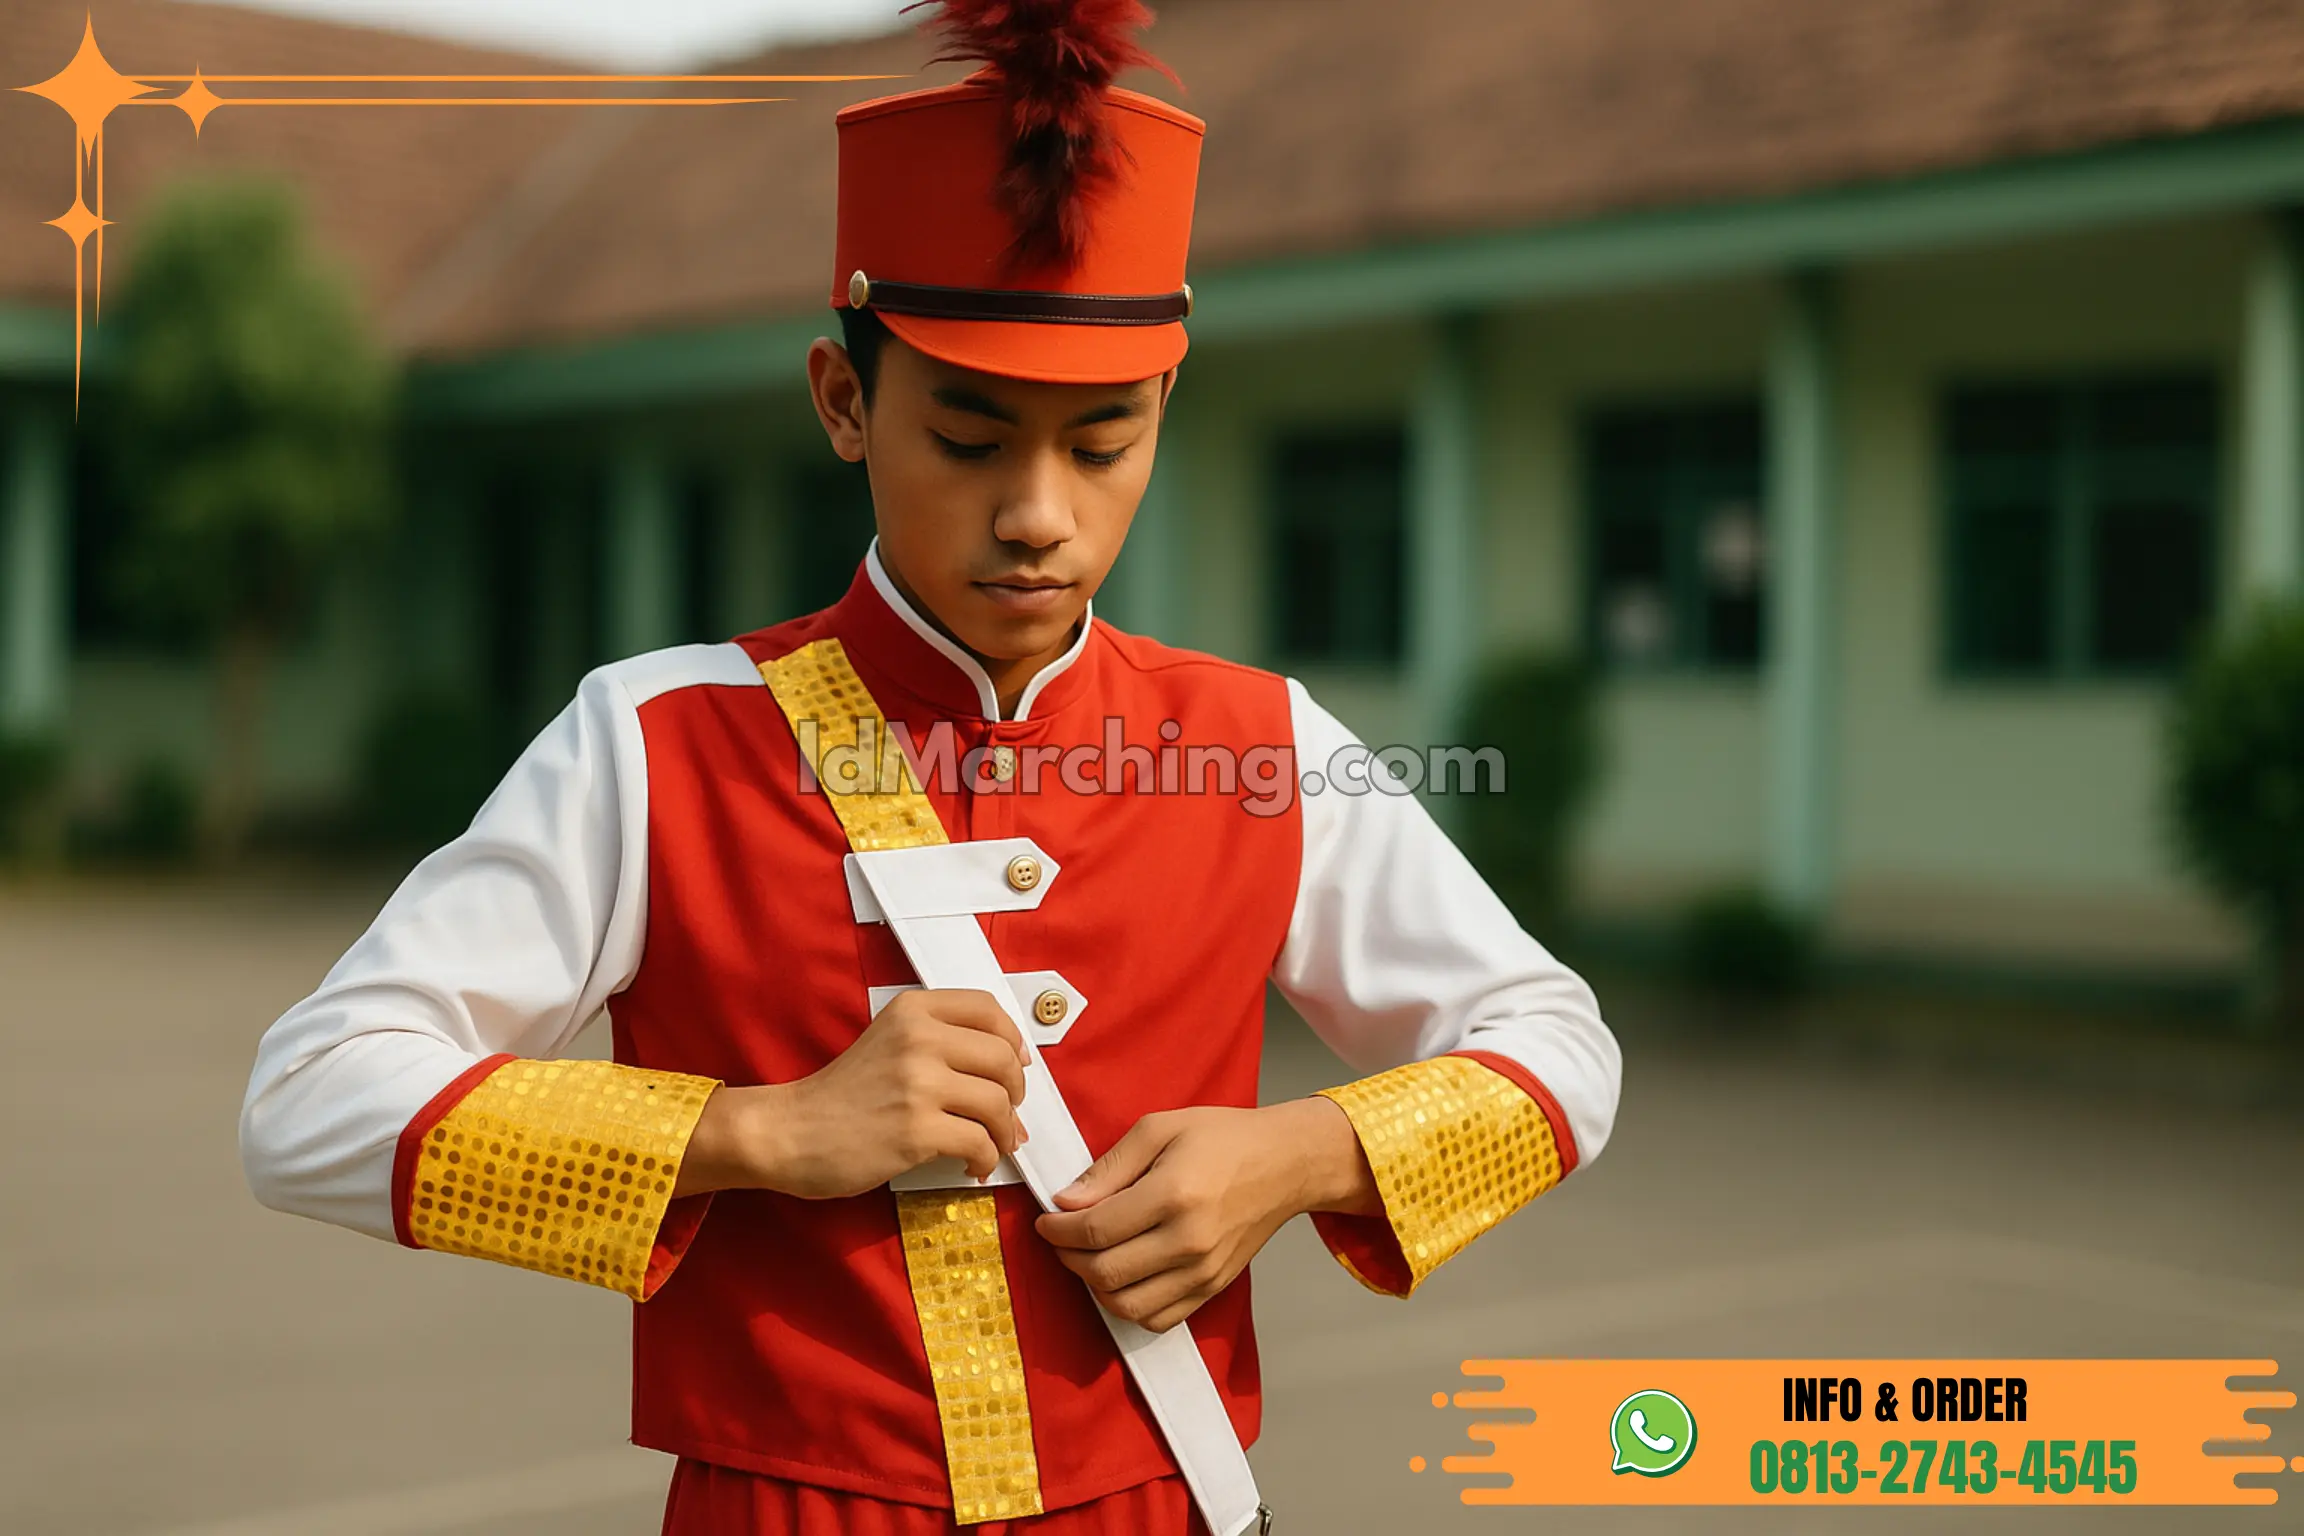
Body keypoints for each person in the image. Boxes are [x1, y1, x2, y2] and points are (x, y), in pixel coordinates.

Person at [238, 3, 1622, 1532]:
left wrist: (1300, 1156)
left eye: (1100, 446)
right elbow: (308, 1104)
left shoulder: (1261, 746)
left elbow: (1561, 1048)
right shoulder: (656, 741)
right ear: (845, 402)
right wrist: (753, 1132)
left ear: (1165, 409)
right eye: (969, 440)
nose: (1039, 513)